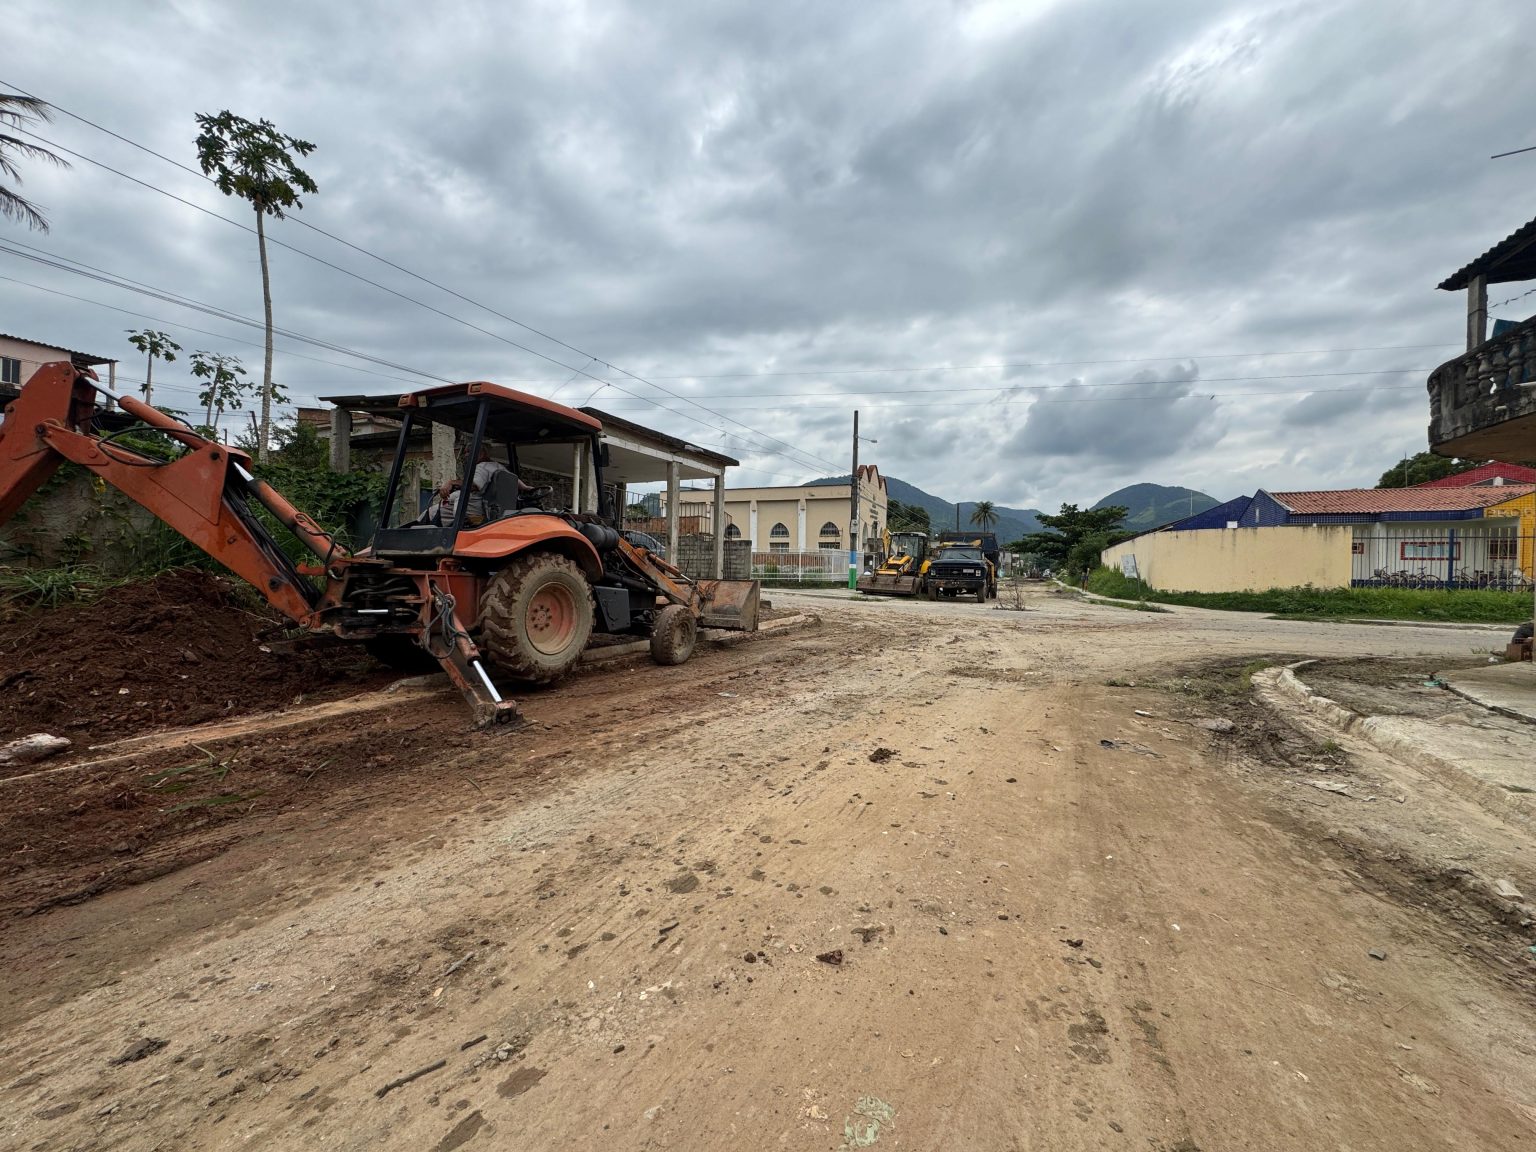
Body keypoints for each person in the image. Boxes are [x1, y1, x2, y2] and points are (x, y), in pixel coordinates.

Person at [433, 447, 532, 525]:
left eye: (469, 451)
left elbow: (473, 485)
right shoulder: (498, 466)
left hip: (475, 512)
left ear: (481, 454)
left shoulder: (481, 467)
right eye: (465, 452)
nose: (466, 455)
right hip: (489, 511)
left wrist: (451, 483)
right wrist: (526, 488)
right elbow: (515, 480)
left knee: (433, 513)